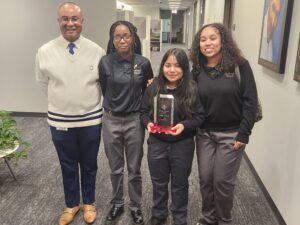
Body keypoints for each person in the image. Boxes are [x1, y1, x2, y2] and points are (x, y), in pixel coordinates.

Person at [35, 2, 105, 225]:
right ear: (59, 21)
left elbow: (102, 84)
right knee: (67, 164)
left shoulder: (97, 51)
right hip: (60, 121)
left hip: (91, 119)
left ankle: (89, 202)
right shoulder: (45, 51)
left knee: (89, 163)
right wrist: (64, 102)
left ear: (82, 21)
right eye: (65, 19)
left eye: (74, 18)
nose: (70, 23)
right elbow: (42, 84)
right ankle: (72, 203)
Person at [189, 23, 258, 225]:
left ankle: (224, 220)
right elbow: (186, 94)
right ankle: (209, 218)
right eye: (203, 39)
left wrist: (244, 133)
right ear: (198, 44)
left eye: (213, 38)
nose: (207, 43)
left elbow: (250, 101)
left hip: (231, 134)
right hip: (204, 134)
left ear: (223, 40)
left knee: (222, 182)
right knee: (205, 178)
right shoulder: (197, 69)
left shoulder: (239, 66)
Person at [140, 48, 205, 225]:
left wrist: (184, 125)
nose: (172, 70)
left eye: (177, 66)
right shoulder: (154, 87)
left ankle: (179, 217)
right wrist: (148, 124)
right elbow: (143, 112)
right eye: (167, 65)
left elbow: (200, 117)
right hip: (157, 143)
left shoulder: (191, 89)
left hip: (182, 144)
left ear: (184, 68)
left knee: (180, 183)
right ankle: (159, 213)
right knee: (158, 182)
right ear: (162, 67)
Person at [98, 20, 153, 224]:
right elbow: (105, 88)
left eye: (126, 36)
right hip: (111, 119)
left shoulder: (144, 62)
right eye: (117, 37)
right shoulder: (104, 62)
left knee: (134, 168)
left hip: (134, 121)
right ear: (112, 40)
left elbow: (148, 91)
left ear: (133, 38)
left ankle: (135, 206)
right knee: (115, 168)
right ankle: (117, 203)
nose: (122, 40)